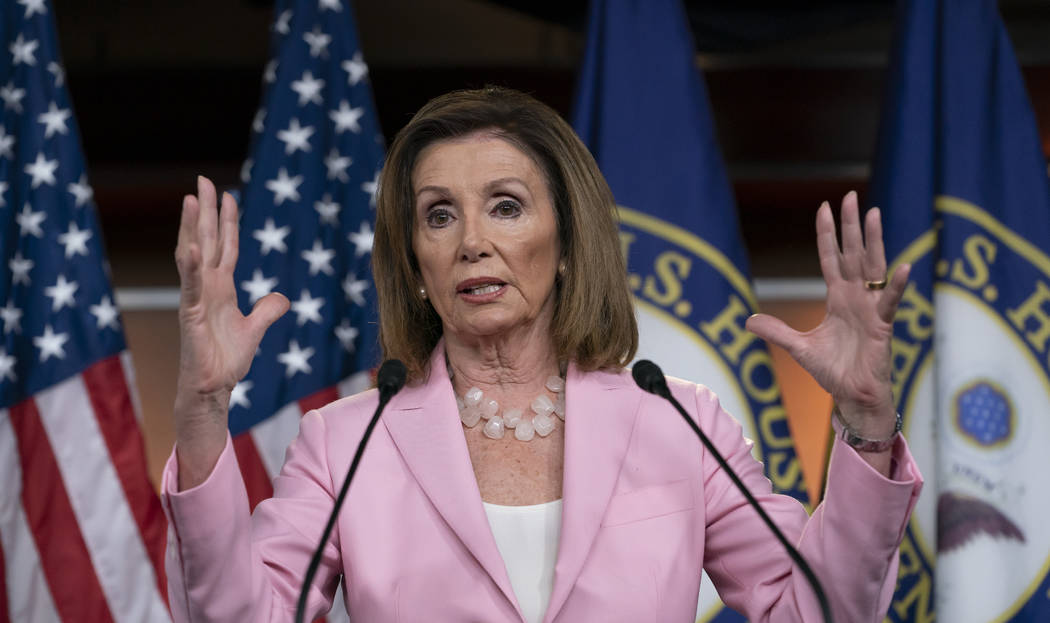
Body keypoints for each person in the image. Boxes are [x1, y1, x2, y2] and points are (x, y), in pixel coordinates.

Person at [163, 87, 921, 622]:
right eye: (438, 216)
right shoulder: (345, 443)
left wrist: (865, 426)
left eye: (506, 205)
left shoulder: (681, 424)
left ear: (564, 244)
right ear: (416, 266)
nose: (472, 242)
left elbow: (821, 610)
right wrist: (202, 407)